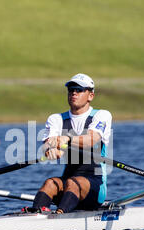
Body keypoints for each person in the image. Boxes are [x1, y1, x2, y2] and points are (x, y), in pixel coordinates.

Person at [26, 73, 112, 214]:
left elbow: (92, 139)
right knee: (50, 183)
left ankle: (59, 215)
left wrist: (67, 139)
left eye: (79, 89)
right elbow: (49, 143)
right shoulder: (56, 119)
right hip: (68, 183)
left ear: (91, 96)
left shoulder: (101, 115)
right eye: (71, 89)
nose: (74, 92)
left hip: (95, 186)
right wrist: (50, 150)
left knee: (73, 183)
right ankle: (35, 215)